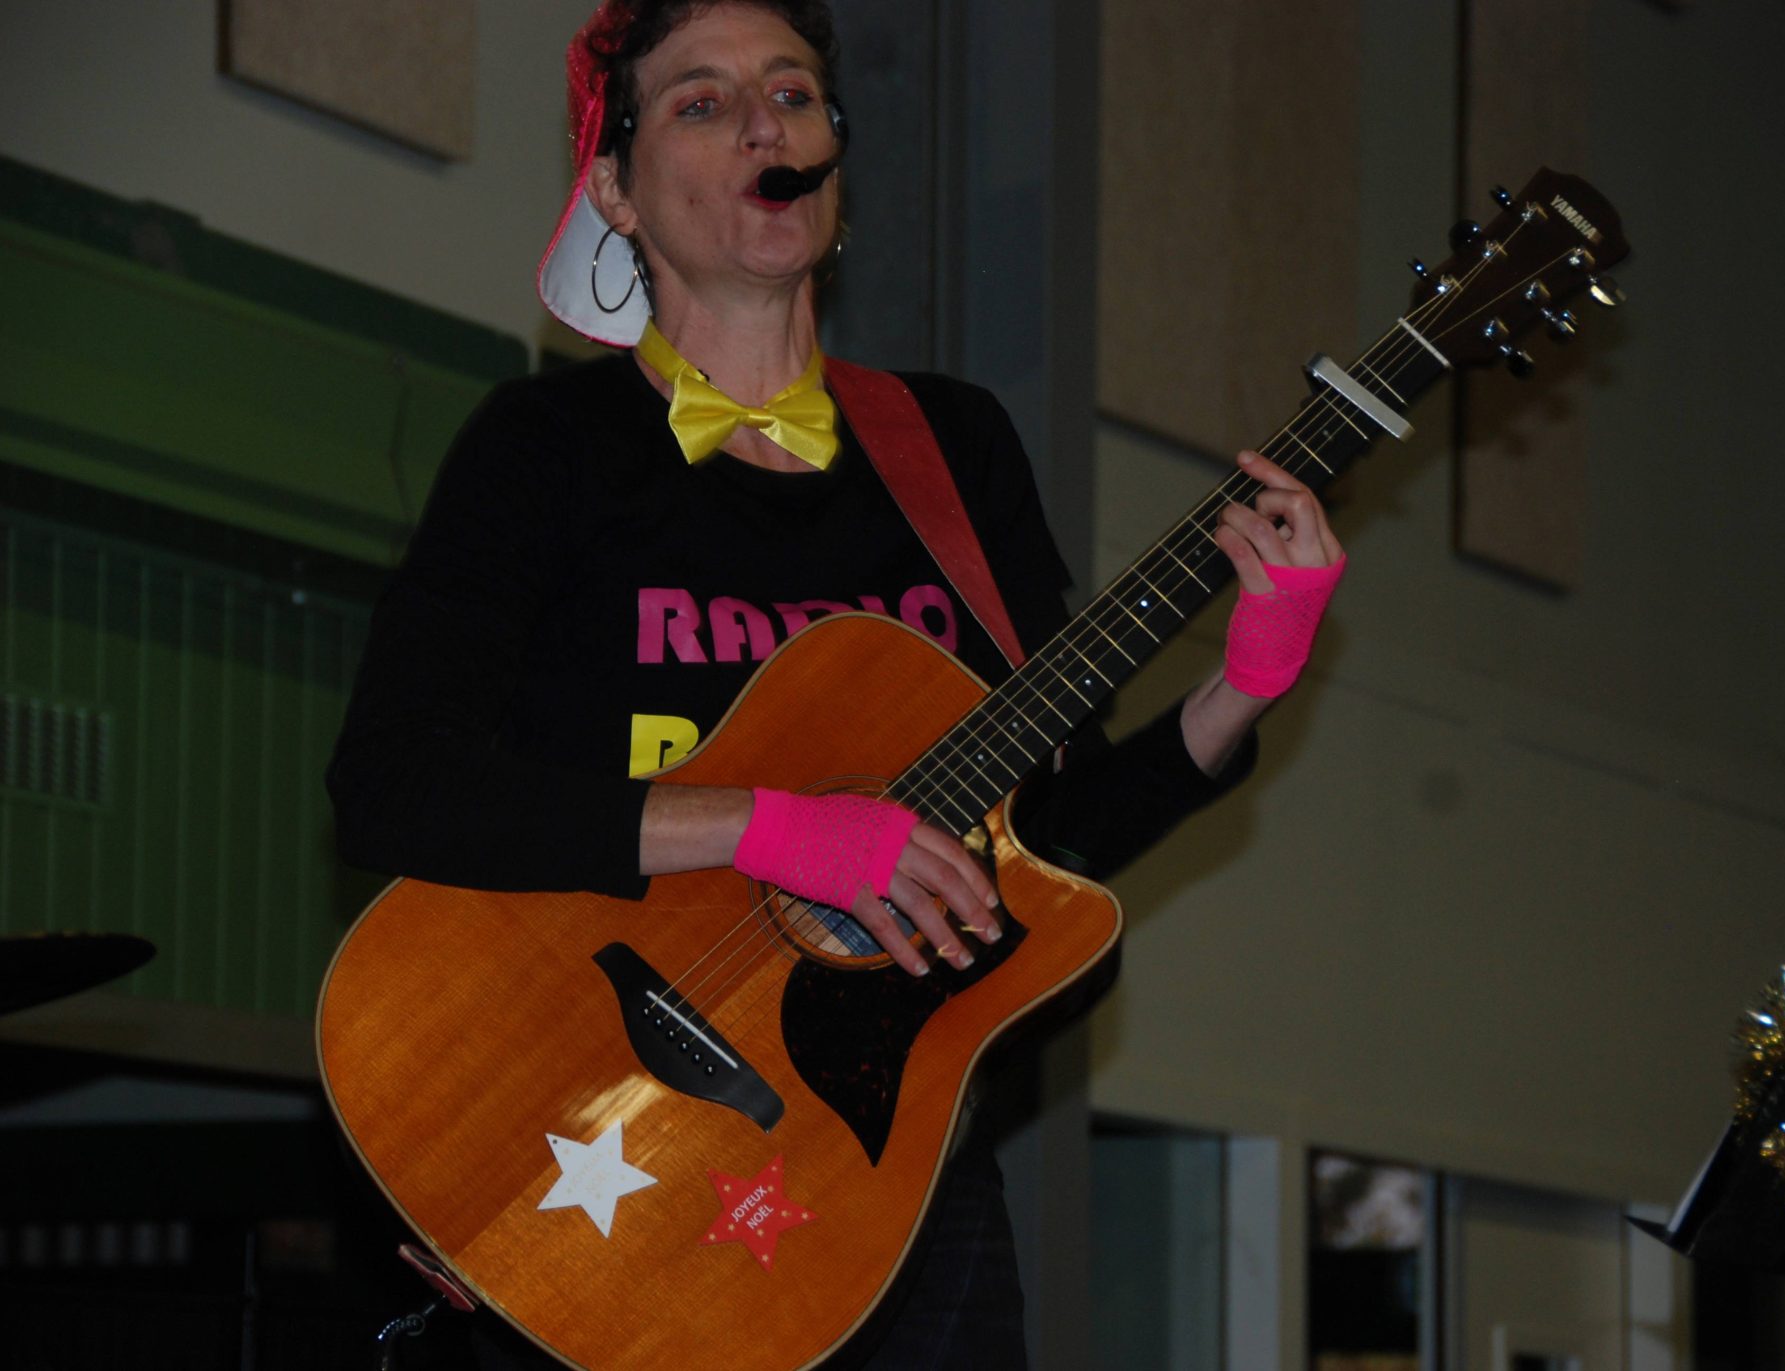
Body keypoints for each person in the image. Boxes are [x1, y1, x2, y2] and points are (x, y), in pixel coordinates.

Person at [325, 1, 1345, 1365]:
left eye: (794, 94)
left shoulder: (953, 449)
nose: (767, 125)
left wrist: (1248, 681)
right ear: (615, 190)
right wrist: (770, 829)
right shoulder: (546, 448)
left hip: (880, 1181)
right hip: (587, 1122)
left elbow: (1049, 843)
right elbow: (393, 784)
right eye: (703, 102)